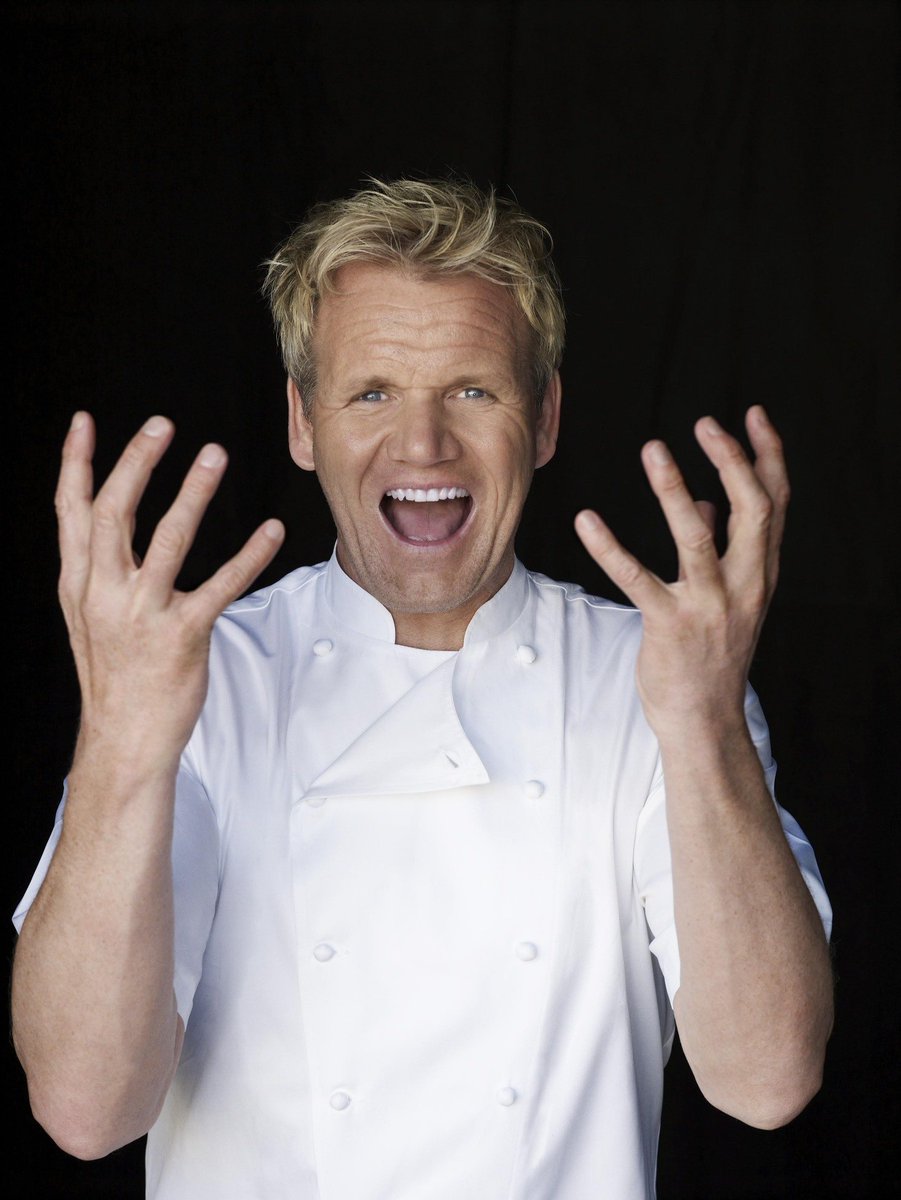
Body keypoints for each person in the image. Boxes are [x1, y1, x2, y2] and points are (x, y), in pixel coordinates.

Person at [10, 176, 834, 1200]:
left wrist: (704, 726)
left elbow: (766, 1081)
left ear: (544, 419)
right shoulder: (196, 678)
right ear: (302, 424)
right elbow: (85, 1110)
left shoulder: (662, 678)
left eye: (473, 391)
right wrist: (122, 749)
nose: (422, 444)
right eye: (372, 393)